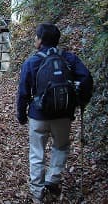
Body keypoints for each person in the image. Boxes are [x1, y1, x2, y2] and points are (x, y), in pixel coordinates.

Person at [16, 23, 93, 203]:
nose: (35, 39)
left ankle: (37, 192)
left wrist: (21, 114)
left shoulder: (32, 62)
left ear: (41, 40)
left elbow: (23, 92)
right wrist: (80, 100)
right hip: (63, 114)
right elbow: (86, 78)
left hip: (38, 115)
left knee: (37, 152)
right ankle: (53, 179)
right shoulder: (69, 58)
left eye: (36, 36)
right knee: (61, 147)